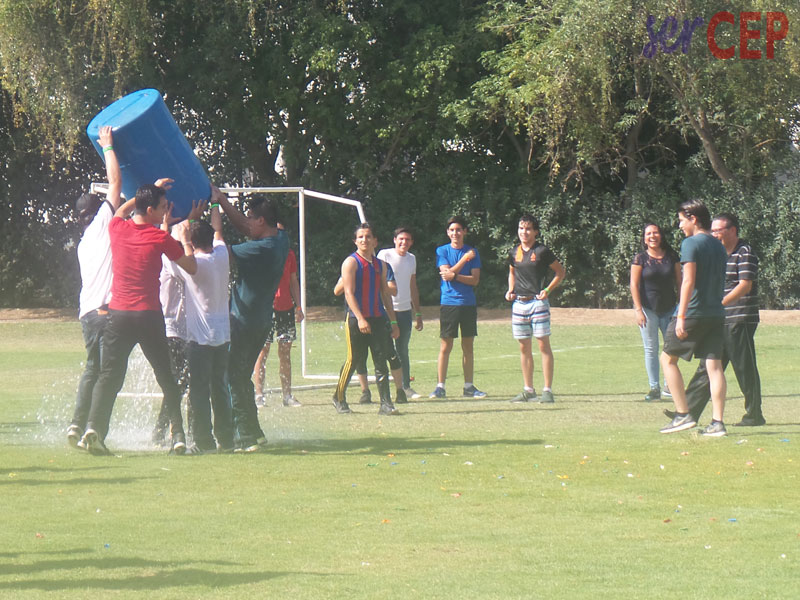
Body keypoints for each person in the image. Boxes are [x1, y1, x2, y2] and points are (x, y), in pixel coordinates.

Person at [79, 178, 205, 456]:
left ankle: (93, 429)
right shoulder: (160, 238)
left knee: (108, 376)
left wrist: (145, 193)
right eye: (162, 207)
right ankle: (178, 437)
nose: (166, 211)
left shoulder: (117, 229)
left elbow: (122, 211)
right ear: (150, 210)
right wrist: (186, 241)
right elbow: (192, 267)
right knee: (167, 377)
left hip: (119, 316)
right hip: (148, 316)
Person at [666, 213, 764, 426]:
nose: (715, 234)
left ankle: (754, 414)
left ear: (732, 230)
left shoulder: (745, 252)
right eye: (713, 230)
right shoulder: (718, 252)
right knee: (708, 366)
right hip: (719, 318)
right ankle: (687, 412)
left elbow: (745, 285)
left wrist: (719, 303)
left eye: (719, 230)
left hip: (739, 318)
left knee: (744, 366)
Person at [215, 192, 288, 452]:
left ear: (261, 221)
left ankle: (243, 436)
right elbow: (247, 227)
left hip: (243, 321)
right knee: (241, 375)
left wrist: (214, 211)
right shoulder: (281, 239)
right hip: (261, 320)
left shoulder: (259, 249)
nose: (246, 224)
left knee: (231, 376)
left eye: (250, 219)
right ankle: (255, 432)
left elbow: (220, 253)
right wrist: (223, 200)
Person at [164, 190, 234, 453]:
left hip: (199, 340)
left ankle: (203, 441)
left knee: (199, 392)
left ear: (192, 244)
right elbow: (218, 231)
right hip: (222, 337)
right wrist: (215, 202)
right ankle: (226, 439)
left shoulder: (192, 267)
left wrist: (171, 228)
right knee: (220, 389)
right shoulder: (221, 255)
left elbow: (168, 253)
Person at [68, 126, 122, 448]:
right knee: (109, 374)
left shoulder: (83, 241)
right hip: (104, 311)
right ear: (96, 212)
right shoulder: (103, 222)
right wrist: (108, 147)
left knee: (92, 369)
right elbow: (115, 183)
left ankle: (76, 425)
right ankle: (94, 429)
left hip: (86, 313)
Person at [660, 199, 728, 436]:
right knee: (714, 367)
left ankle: (682, 415)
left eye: (681, 221)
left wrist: (680, 315)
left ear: (693, 219)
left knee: (667, 359)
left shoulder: (690, 243)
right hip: (716, 313)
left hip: (693, 312)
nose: (680, 226)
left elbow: (688, 280)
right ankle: (717, 423)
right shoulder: (719, 245)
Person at [331, 223, 401, 415]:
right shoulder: (351, 262)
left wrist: (393, 321)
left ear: (375, 241)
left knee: (381, 360)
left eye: (368, 236)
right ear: (355, 241)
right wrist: (361, 319)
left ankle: (386, 404)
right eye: (360, 237)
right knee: (354, 359)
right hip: (356, 319)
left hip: (377, 317)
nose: (364, 240)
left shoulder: (381, 265)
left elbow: (385, 294)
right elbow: (348, 293)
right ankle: (339, 397)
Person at [505, 214, 565, 404]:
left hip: (537, 303)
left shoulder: (542, 251)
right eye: (521, 228)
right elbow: (512, 272)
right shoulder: (514, 252)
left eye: (528, 229)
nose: (524, 232)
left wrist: (547, 290)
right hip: (519, 304)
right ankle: (528, 390)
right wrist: (510, 290)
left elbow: (560, 272)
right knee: (524, 347)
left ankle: (547, 390)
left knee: (543, 345)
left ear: (536, 232)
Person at [430, 216, 485, 399]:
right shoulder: (442, 250)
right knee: (446, 346)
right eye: (452, 230)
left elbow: (474, 280)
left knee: (468, 346)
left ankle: (469, 387)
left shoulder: (473, 252)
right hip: (449, 303)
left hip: (468, 304)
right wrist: (464, 260)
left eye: (459, 230)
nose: (455, 233)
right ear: (448, 232)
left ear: (464, 232)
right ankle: (440, 387)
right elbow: (446, 273)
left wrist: (455, 276)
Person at [253, 228, 304, 408]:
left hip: (286, 309)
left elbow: (293, 281)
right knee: (262, 351)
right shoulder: (262, 253)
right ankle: (259, 394)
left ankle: (287, 395)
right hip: (266, 308)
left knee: (285, 352)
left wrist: (299, 306)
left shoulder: (289, 254)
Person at [630, 223, 682, 401]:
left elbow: (680, 282)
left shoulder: (672, 256)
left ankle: (669, 385)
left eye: (656, 233)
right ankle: (654, 388)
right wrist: (638, 310)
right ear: (644, 239)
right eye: (649, 234)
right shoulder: (640, 258)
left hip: (670, 309)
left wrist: (681, 306)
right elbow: (634, 285)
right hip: (648, 310)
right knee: (651, 349)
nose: (652, 236)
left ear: (661, 235)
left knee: (671, 348)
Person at [377, 227, 424, 399]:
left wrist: (418, 313)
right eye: (401, 239)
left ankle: (405, 387)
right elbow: (380, 282)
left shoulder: (411, 259)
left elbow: (413, 286)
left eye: (408, 239)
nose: (404, 242)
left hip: (404, 311)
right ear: (395, 240)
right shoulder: (385, 255)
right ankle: (383, 389)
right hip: (386, 310)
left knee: (402, 350)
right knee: (382, 349)